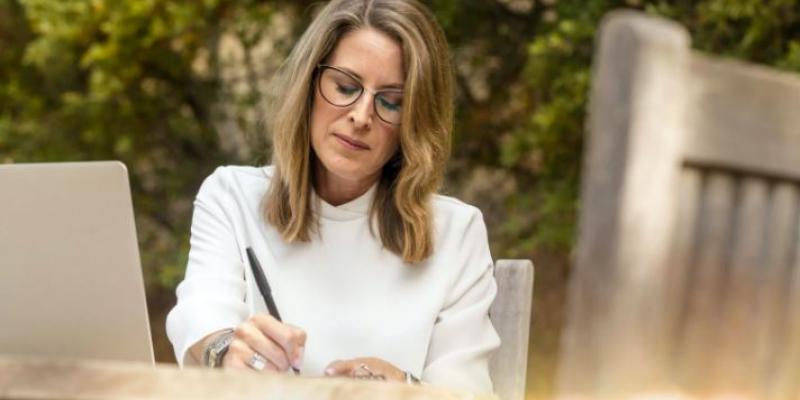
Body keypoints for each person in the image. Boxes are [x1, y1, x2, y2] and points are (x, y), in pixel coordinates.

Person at [165, 0, 500, 394]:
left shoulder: (456, 233)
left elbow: (467, 391)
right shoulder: (232, 197)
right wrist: (226, 352)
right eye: (345, 86)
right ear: (309, 84)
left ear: (415, 121)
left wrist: (405, 387)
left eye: (391, 101)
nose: (361, 116)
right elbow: (202, 315)